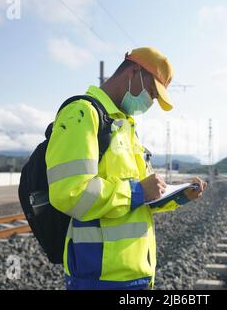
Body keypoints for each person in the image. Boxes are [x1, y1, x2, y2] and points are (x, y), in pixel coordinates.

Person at [45, 47, 207, 290]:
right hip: (99, 278)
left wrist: (180, 195)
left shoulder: (125, 126)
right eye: (151, 93)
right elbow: (70, 193)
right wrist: (137, 192)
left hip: (136, 275)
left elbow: (143, 198)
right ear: (133, 73)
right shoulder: (82, 114)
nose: (150, 102)